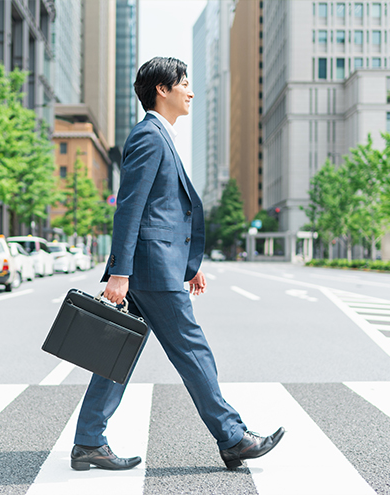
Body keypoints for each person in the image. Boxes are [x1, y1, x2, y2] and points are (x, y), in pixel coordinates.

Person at [70, 56, 284, 472]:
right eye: (183, 82)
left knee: (118, 350)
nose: (190, 89)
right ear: (161, 90)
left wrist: (188, 264)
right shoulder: (150, 136)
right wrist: (120, 272)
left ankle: (88, 441)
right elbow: (129, 209)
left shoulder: (159, 136)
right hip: (148, 271)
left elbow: (163, 212)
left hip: (156, 266)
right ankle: (233, 437)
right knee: (192, 350)